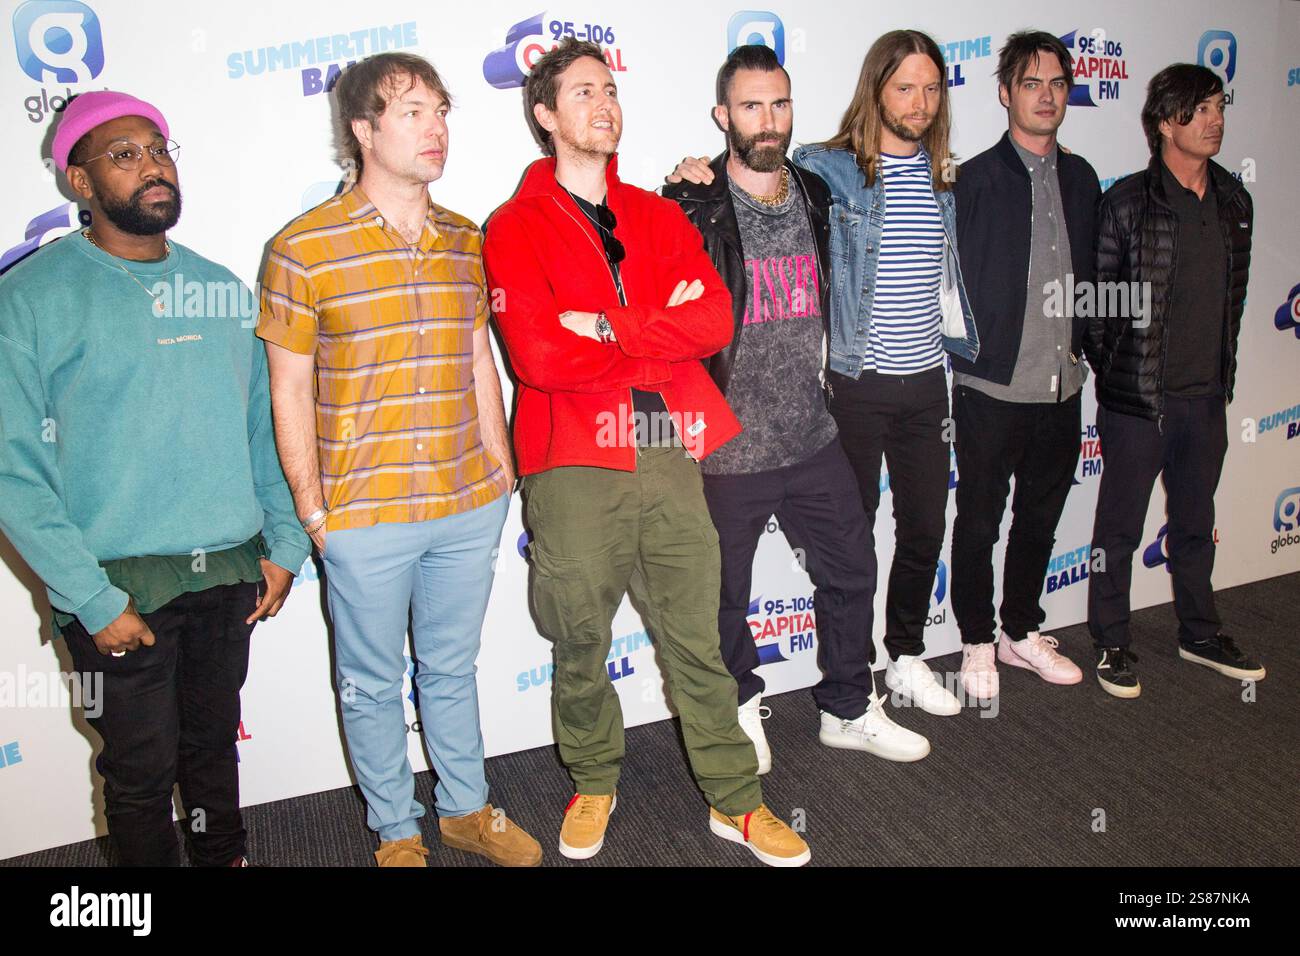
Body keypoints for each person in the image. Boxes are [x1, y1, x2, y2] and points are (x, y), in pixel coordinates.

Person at [484, 38, 809, 866]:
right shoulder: (514, 227)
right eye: (582, 91)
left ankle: (735, 801)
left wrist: (602, 324)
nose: (603, 102)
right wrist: (653, 338)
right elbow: (538, 359)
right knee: (580, 640)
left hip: (665, 441)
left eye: (609, 89)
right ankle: (594, 778)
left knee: (696, 637)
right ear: (546, 115)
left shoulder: (661, 214)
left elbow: (714, 323)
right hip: (571, 455)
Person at [0, 91, 309, 866]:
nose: (153, 167)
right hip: (113, 587)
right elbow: (14, 470)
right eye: (126, 154)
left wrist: (285, 544)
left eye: (161, 149)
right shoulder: (30, 300)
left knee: (212, 750)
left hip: (230, 573)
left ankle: (223, 858)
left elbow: (261, 429)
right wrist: (91, 598)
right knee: (138, 774)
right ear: (78, 181)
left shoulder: (221, 286)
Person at [257, 53, 540, 867]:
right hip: (363, 514)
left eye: (442, 110)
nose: (437, 128)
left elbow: (478, 359)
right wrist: (316, 513)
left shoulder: (465, 239)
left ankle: (464, 808)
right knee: (372, 684)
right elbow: (288, 390)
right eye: (412, 111)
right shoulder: (302, 249)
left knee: (452, 669)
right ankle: (395, 831)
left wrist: (500, 472)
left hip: (466, 501)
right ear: (363, 129)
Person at [662, 44, 932, 772]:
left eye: (779, 103)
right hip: (727, 448)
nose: (768, 119)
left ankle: (848, 706)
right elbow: (659, 324)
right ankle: (740, 707)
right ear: (723, 115)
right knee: (725, 599)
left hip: (813, 434)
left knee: (850, 573)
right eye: (751, 105)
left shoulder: (816, 190)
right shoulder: (689, 202)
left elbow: (888, 155)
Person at [791, 30, 978, 709]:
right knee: (852, 537)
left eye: (931, 88)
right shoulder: (827, 170)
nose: (920, 101)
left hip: (930, 384)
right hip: (857, 385)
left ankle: (907, 656)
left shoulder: (945, 175)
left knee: (927, 526)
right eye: (905, 87)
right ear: (876, 90)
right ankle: (853, 674)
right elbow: (759, 184)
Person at [1084, 63, 1261, 698]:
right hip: (1139, 405)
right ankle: (1110, 639)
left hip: (1206, 399)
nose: (1215, 120)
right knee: (1118, 530)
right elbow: (1097, 309)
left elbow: (1232, 304)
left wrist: (1217, 379)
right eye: (1200, 110)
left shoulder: (1236, 201)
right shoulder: (1127, 202)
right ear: (1166, 123)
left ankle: (1200, 631)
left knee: (1194, 522)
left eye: (1219, 107)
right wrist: (1122, 379)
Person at [949, 31, 1100, 699]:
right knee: (979, 520)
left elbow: (1093, 275)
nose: (1046, 96)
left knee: (1039, 517)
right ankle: (976, 641)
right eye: (1031, 83)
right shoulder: (972, 179)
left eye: (1057, 84)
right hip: (989, 388)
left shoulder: (1082, 176)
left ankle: (1018, 632)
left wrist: (1086, 351)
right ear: (1006, 92)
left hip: (1061, 387)